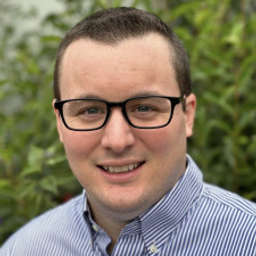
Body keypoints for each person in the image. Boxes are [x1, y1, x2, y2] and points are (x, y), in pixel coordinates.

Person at [1, 7, 256, 256]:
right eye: (90, 111)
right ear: (60, 122)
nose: (117, 141)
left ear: (187, 115)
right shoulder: (23, 249)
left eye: (144, 107)